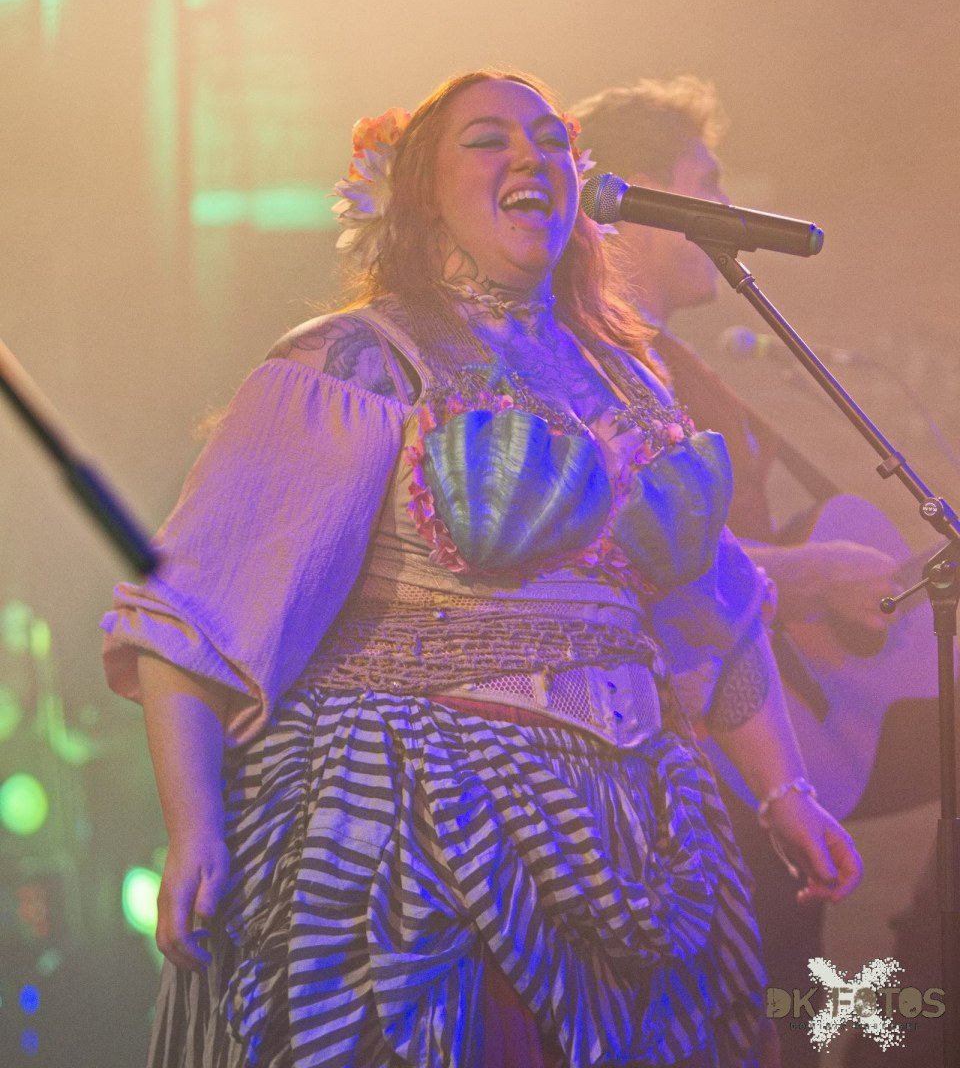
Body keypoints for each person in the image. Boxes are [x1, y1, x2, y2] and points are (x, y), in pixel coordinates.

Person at [102, 69, 861, 1068]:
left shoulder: (627, 381)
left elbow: (718, 611)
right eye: (488, 139)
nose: (529, 157)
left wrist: (785, 793)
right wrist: (194, 826)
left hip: (641, 828)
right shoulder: (358, 362)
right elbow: (199, 610)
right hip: (423, 826)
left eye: (550, 141)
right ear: (420, 191)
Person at [571, 77, 926, 1067]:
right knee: (756, 1013)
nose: (727, 211)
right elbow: (617, 552)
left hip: (770, 724)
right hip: (689, 755)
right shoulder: (583, 362)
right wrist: (813, 569)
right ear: (634, 202)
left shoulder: (677, 364)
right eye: (707, 187)